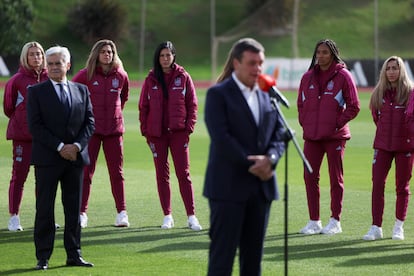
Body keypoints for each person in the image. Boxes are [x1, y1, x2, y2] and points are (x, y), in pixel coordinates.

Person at [204, 38, 286, 275]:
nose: (257, 68)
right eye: (252, 63)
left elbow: (279, 133)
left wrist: (270, 158)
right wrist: (254, 164)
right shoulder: (218, 94)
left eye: (261, 63)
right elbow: (222, 138)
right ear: (236, 63)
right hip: (228, 189)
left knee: (253, 262)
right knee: (222, 260)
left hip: (260, 190)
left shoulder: (266, 95)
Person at [27, 45, 95, 270]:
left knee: (73, 209)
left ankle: (74, 254)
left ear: (68, 65)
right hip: (48, 158)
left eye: (59, 63)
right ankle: (43, 256)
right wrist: (59, 147)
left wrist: (75, 146)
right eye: (51, 64)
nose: (55, 67)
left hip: (75, 159)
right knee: (45, 208)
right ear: (47, 67)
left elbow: (90, 122)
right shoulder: (36, 92)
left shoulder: (81, 90)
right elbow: (35, 126)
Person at [297, 39, 360, 235]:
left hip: (335, 137)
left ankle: (335, 221)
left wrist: (336, 124)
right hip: (312, 137)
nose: (321, 56)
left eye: (325, 52)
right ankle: (314, 221)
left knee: (335, 178)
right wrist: (305, 123)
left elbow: (354, 106)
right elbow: (301, 104)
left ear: (333, 54)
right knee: (309, 177)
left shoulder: (344, 76)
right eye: (318, 52)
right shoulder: (307, 77)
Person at [139, 41, 202, 231]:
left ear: (174, 56)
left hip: (179, 134)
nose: (165, 58)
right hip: (157, 135)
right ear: (158, 58)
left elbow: (192, 104)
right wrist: (146, 132)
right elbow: (144, 107)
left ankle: (191, 216)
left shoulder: (183, 77)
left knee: (183, 174)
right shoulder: (150, 79)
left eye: (168, 55)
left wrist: (188, 128)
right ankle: (167, 215)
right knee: (162, 175)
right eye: (162, 55)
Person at [72, 39, 130, 228]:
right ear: (97, 54)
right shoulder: (84, 75)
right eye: (104, 51)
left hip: (114, 131)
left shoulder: (121, 75)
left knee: (117, 173)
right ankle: (81, 213)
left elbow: (123, 98)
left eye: (111, 52)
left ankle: (122, 213)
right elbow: (72, 96)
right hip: (92, 132)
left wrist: (115, 117)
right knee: (87, 172)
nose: (108, 54)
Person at [363, 56, 414, 241]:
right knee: (377, 184)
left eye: (395, 68)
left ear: (402, 71)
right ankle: (376, 226)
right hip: (383, 145)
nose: (391, 71)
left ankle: (398, 226)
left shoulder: (410, 93)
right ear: (384, 71)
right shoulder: (379, 93)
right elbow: (377, 118)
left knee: (402, 187)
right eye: (388, 68)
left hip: (405, 147)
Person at [3, 41, 48, 231]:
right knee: (19, 177)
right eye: (32, 54)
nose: (36, 57)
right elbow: (8, 108)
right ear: (25, 57)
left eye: (39, 54)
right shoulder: (16, 80)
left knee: (44, 179)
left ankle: (43, 217)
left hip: (45, 139)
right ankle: (14, 217)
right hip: (23, 137)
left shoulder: (50, 78)